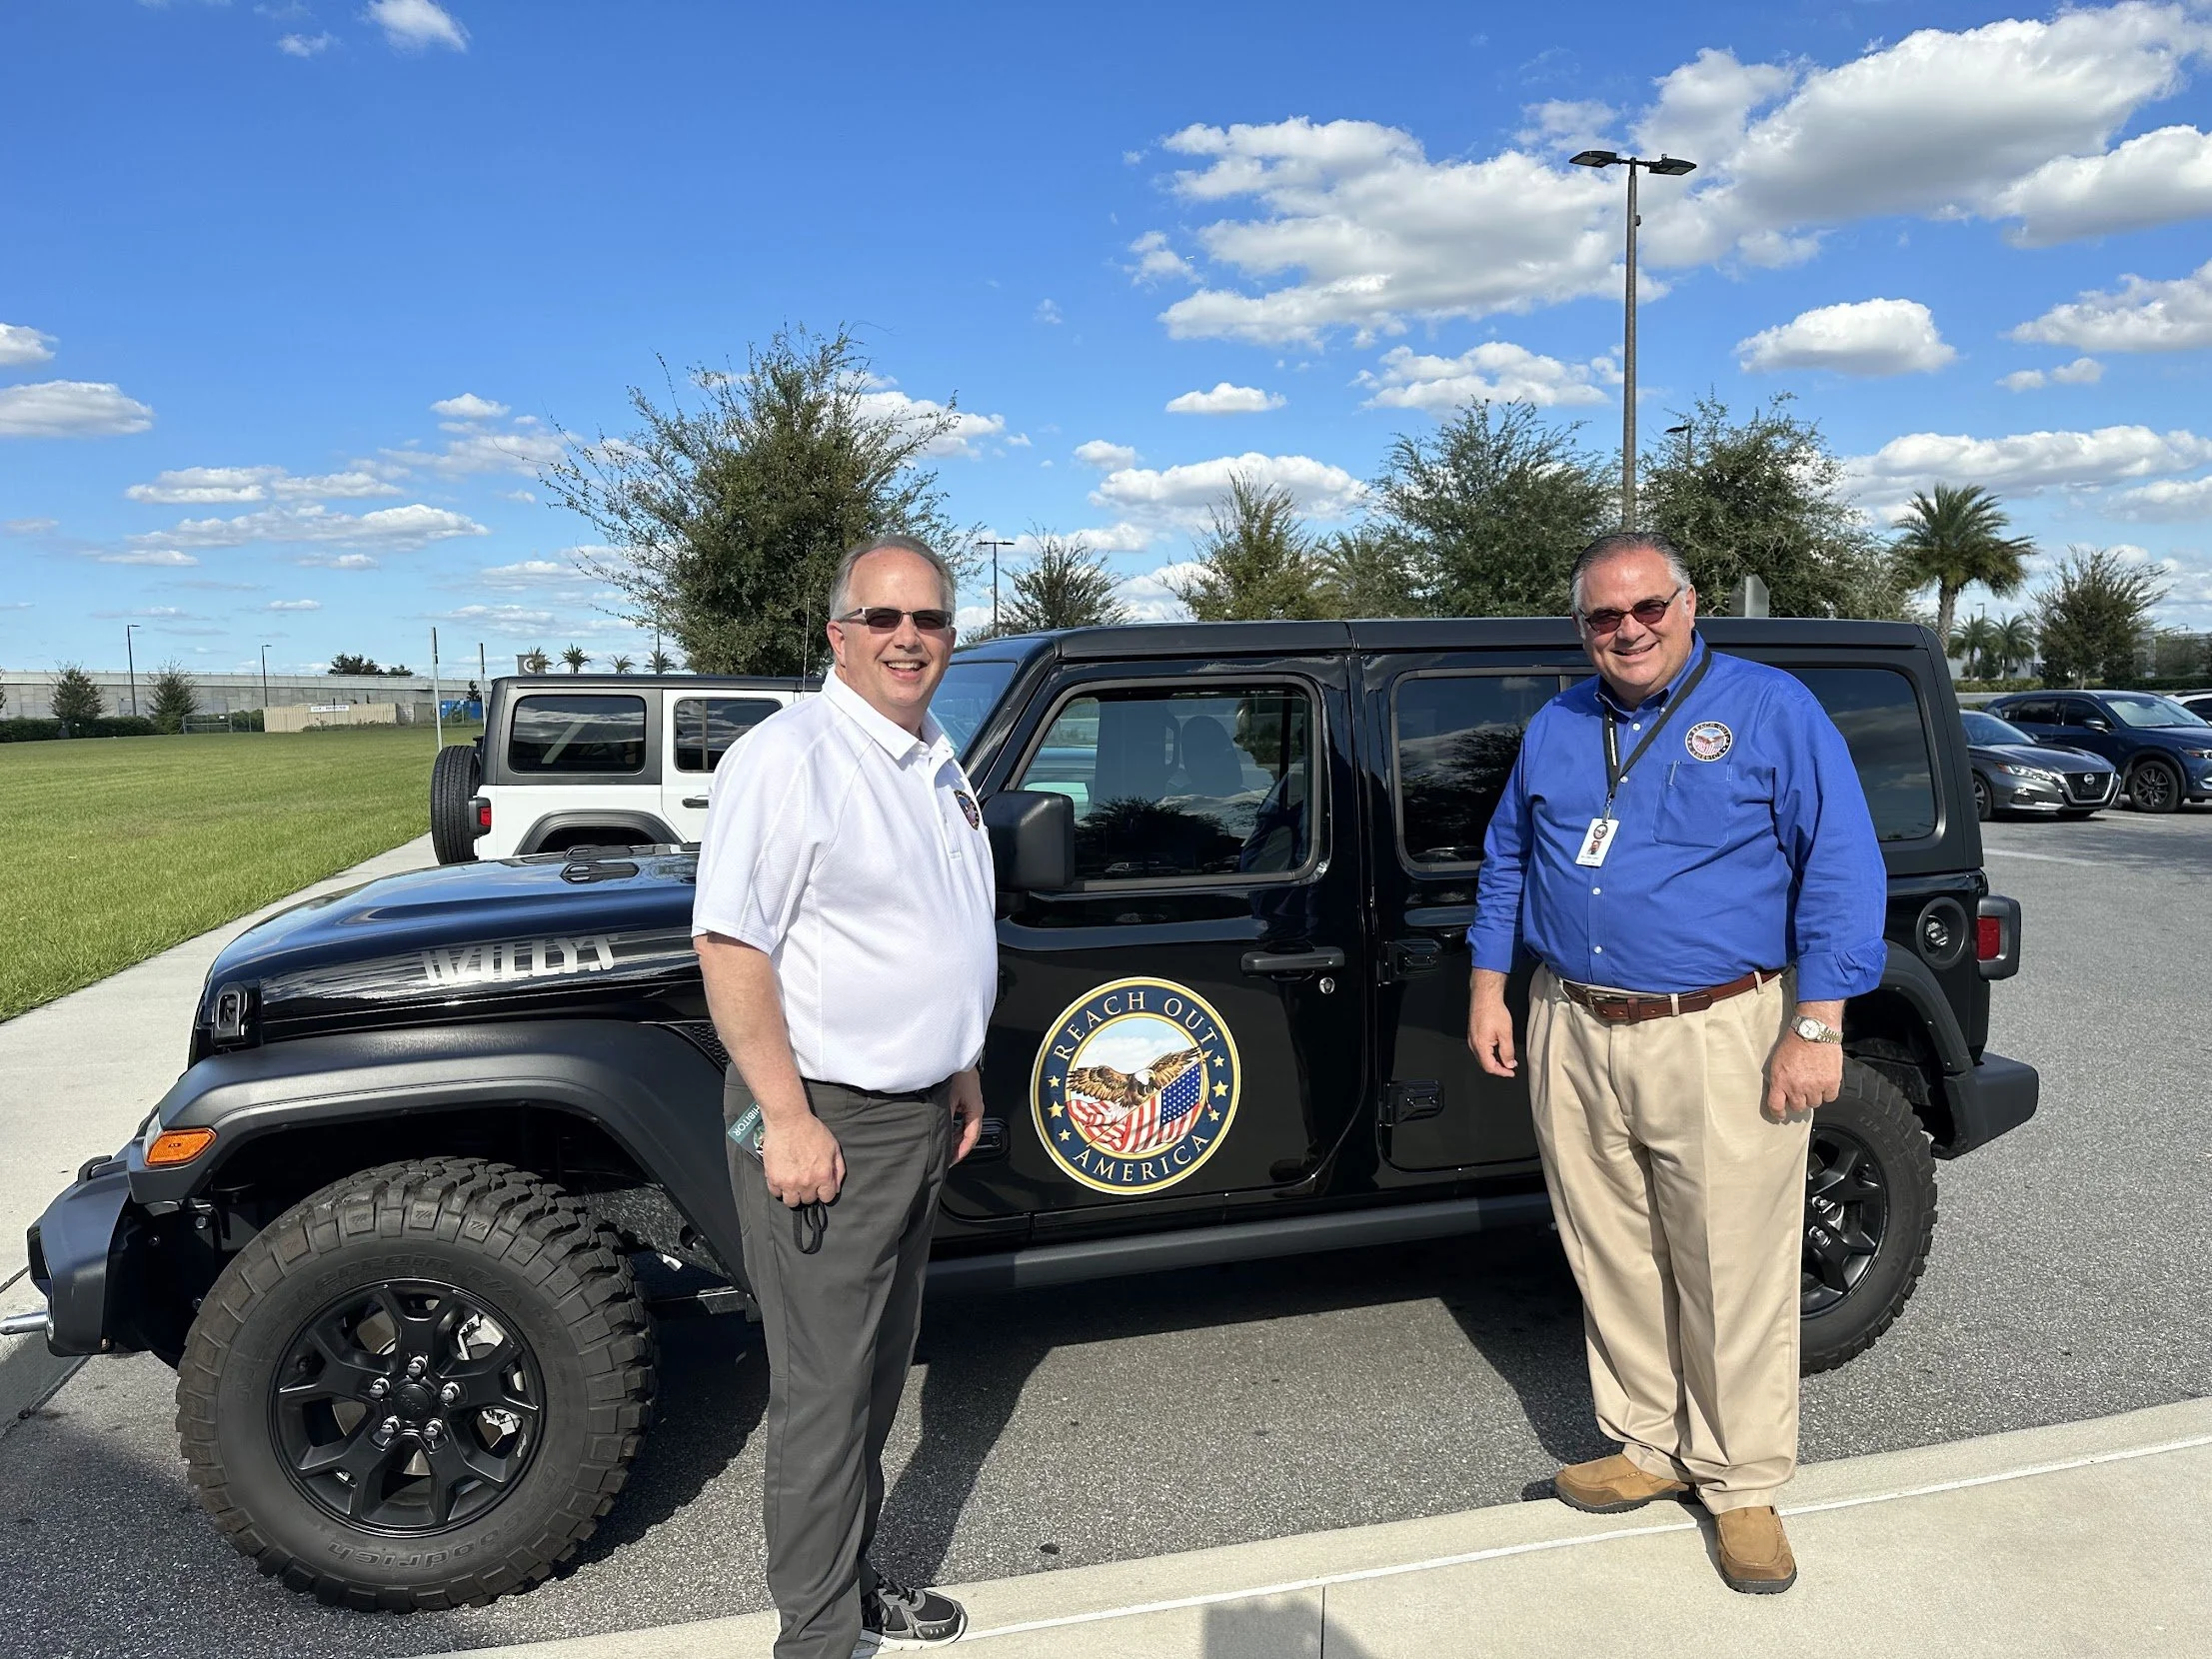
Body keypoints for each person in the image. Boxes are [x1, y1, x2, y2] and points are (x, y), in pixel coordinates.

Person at [1466, 531, 1885, 1595]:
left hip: (1719, 1025)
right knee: (1608, 1244)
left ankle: (1740, 1484)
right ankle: (1647, 1445)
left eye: (1645, 607)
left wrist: (1818, 1022)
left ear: (1688, 604)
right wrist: (1489, 985)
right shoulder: (1558, 723)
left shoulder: (1768, 709)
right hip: (1572, 1017)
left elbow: (1838, 863)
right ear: (1580, 629)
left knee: (1729, 1259)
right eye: (1603, 618)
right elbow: (1508, 854)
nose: (1627, 631)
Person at [693, 534, 996, 1656]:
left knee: (870, 1381)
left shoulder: (929, 751)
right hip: (826, 1117)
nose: (908, 636)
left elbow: (936, 921)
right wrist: (784, 1116)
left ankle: (855, 1586)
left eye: (928, 619)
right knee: (823, 1403)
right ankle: (815, 1640)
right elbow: (730, 945)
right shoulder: (791, 759)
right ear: (838, 633)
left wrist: (958, 1059)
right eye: (883, 618)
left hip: (916, 1114)